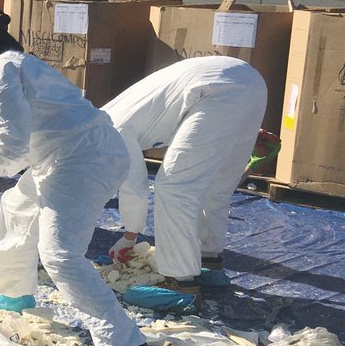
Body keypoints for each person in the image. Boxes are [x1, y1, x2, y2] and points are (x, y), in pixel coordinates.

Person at [0, 4, 159, 346]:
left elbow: (12, 145)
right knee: (17, 204)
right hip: (73, 153)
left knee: (60, 254)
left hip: (82, 159)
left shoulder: (0, 72)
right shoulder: (19, 63)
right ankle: (14, 292)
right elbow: (28, 136)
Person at [102, 57, 267, 310]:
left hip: (213, 90)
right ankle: (209, 261)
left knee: (174, 188)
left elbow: (134, 188)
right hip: (250, 82)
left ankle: (181, 284)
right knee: (215, 186)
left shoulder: (107, 128)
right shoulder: (110, 114)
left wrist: (129, 237)